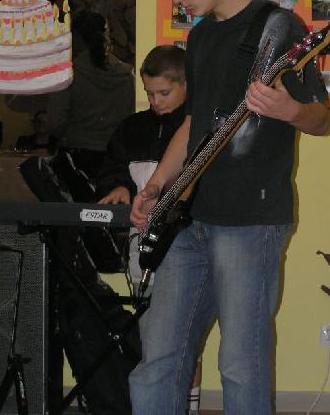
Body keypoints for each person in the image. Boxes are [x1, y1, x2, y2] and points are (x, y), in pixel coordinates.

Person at [128, 0, 330, 415]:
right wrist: (156, 186)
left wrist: (287, 109)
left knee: (241, 365)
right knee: (158, 360)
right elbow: (194, 122)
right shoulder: (200, 38)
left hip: (250, 223)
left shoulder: (279, 28)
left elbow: (322, 119)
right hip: (187, 218)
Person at [96, 44, 202, 414]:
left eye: (164, 93)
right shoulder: (132, 128)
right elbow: (112, 168)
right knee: (150, 337)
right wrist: (119, 187)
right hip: (140, 245)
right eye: (149, 93)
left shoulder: (197, 127)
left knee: (182, 339)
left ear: (187, 85)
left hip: (184, 243)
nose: (156, 101)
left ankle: (187, 406)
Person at [47, 9, 135, 179]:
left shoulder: (68, 74)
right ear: (107, 34)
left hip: (77, 157)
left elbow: (55, 122)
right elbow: (129, 117)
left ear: (76, 37)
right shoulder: (126, 74)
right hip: (115, 156)